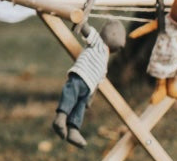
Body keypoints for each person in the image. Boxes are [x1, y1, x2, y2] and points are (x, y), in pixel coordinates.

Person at [52, 19, 126, 148]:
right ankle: (61, 117)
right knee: (70, 94)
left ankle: (73, 130)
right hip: (80, 75)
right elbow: (86, 31)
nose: (122, 45)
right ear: (112, 34)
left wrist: (91, 98)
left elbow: (99, 81)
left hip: (89, 87)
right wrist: (81, 20)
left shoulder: (105, 62)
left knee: (80, 108)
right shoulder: (98, 42)